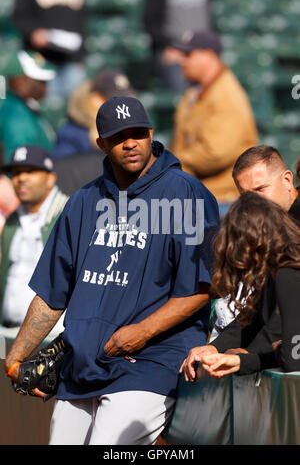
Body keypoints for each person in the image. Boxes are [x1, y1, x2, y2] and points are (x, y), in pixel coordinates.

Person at [4, 96, 219, 445]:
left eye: (138, 133)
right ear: (101, 144)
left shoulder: (186, 196)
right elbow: (51, 294)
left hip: (149, 363)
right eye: (120, 137)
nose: (131, 143)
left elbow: (203, 286)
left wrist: (142, 332)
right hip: (82, 368)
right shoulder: (84, 201)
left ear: (151, 133)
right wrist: (15, 357)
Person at [180, 191, 300, 381]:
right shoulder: (280, 268)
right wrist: (227, 354)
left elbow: (293, 358)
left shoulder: (289, 273)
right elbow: (251, 319)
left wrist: (271, 351)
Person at [209, 145, 300, 341]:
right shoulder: (256, 230)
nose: (254, 202)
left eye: (260, 189)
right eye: (247, 196)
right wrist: (216, 348)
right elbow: (256, 309)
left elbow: (287, 313)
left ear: (287, 180)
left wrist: (247, 357)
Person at [171, 30, 258, 215]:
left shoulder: (226, 95)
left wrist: (175, 161)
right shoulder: (195, 93)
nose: (182, 60)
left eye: (188, 54)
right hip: (203, 198)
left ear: (209, 56)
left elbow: (215, 154)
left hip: (223, 202)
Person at [0, 145, 68, 328]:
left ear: (50, 179)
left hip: (54, 336)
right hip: (8, 330)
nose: (21, 179)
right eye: (15, 173)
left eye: (30, 171)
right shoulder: (12, 220)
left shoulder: (69, 214)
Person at [12, 0, 86, 99]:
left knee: (72, 104)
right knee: (45, 103)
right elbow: (19, 15)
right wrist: (33, 31)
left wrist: (81, 57)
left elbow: (82, 22)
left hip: (70, 59)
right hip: (40, 59)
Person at [52, 68, 136, 159]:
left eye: (126, 100)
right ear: (96, 99)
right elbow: (64, 168)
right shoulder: (72, 134)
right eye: (115, 99)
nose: (122, 105)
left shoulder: (125, 128)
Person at [143, 0, 214, 92]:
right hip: (175, 50)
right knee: (181, 92)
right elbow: (151, 21)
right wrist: (166, 47)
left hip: (203, 51)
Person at [0, 50, 56, 162]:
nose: (45, 85)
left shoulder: (25, 108)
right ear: (19, 81)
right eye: (39, 80)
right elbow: (18, 164)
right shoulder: (17, 118)